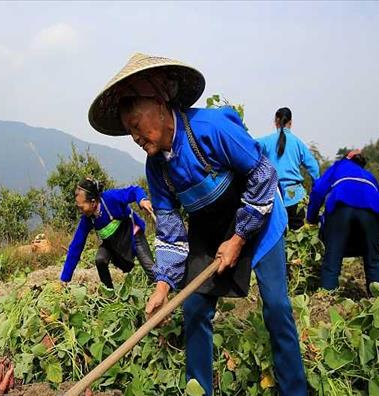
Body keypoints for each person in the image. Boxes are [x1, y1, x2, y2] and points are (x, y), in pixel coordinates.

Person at [88, 53, 307, 395]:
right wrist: (163, 286)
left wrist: (238, 237)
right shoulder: (156, 168)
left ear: (161, 104)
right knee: (193, 308)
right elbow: (171, 229)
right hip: (208, 229)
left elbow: (264, 175)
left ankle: (295, 389)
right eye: (129, 131)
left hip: (260, 217)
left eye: (136, 125)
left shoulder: (211, 128)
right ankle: (199, 389)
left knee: (277, 307)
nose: (134, 136)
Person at [306, 149, 379, 294]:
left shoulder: (339, 166)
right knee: (374, 260)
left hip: (342, 205)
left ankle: (327, 297)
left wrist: (311, 218)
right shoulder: (369, 176)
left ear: (347, 157)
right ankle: (378, 301)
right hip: (372, 210)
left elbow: (318, 191)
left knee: (332, 257)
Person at [59, 178, 155, 289]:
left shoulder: (111, 198)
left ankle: (165, 290)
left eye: (82, 207)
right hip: (112, 242)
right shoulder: (87, 219)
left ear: (93, 202)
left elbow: (134, 191)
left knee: (150, 268)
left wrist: (142, 200)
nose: (80, 211)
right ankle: (109, 292)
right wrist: (65, 278)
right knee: (100, 260)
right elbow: (76, 246)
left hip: (132, 234)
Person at [257, 107, 320, 230]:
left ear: (276, 121)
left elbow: (249, 147)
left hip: (274, 199)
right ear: (290, 123)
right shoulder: (297, 142)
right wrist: (315, 192)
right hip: (296, 199)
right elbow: (315, 169)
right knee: (298, 240)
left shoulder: (266, 141)